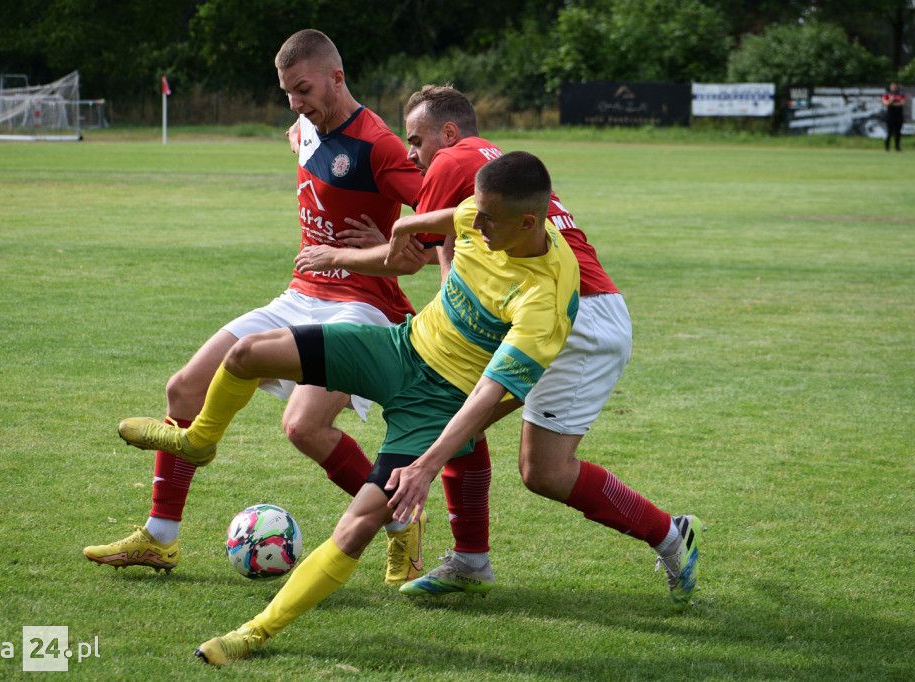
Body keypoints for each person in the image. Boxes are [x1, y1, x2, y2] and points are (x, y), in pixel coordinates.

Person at [117, 151, 580, 664]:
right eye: (478, 211)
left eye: (489, 219)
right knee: (246, 354)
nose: (478, 222)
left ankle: (253, 633)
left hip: (440, 403)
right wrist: (403, 227)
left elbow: (489, 395)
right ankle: (199, 441)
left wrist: (426, 466)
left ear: (529, 223)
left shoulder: (545, 300)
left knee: (357, 525)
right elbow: (455, 218)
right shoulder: (484, 212)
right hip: (401, 348)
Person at [297, 85, 703, 603]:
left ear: (448, 133)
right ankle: (470, 561)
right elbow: (449, 246)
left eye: (416, 140)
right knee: (455, 415)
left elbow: (408, 258)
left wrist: (336, 255)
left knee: (543, 470)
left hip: (579, 320)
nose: (412, 155)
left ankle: (670, 534)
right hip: (563, 306)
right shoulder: (487, 159)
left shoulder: (452, 161)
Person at [82, 29, 431, 586]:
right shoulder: (305, 128)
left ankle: (400, 523)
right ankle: (160, 538)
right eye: (287, 92)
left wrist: (388, 244)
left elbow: (451, 224)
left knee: (303, 426)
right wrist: (302, 127)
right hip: (299, 296)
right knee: (184, 389)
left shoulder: (379, 146)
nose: (294, 104)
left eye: (304, 90)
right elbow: (304, 138)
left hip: (363, 307)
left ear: (337, 78)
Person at [882, 82, 906, 152]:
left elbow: (903, 103)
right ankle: (887, 148)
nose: (893, 87)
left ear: (897, 87)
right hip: (890, 116)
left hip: (899, 116)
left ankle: (897, 148)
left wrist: (892, 103)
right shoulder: (886, 94)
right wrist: (891, 100)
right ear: (890, 87)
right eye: (892, 86)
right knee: (889, 132)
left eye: (895, 86)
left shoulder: (901, 94)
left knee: (898, 133)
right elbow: (885, 103)